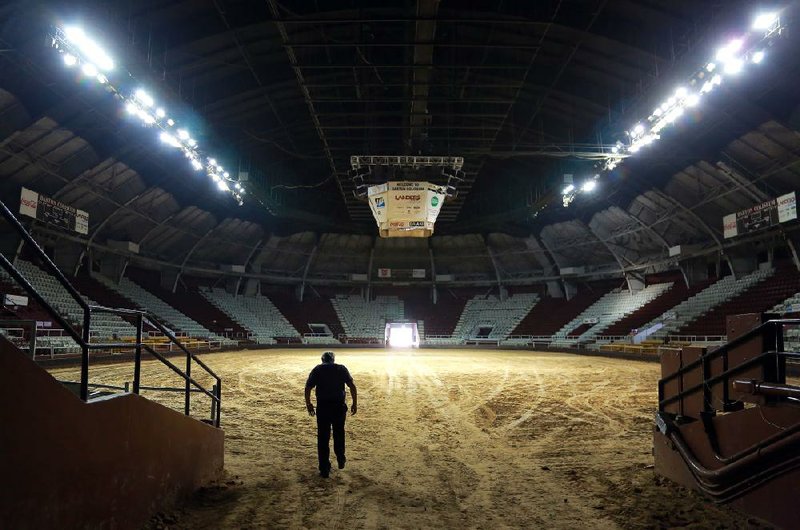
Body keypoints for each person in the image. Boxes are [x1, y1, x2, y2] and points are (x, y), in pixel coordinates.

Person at [305, 351, 357, 477]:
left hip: (323, 408)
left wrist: (309, 404)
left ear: (322, 360)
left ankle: (324, 468)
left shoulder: (317, 370)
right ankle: (340, 457)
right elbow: (352, 386)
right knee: (339, 433)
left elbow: (308, 388)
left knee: (323, 438)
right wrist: (354, 403)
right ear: (333, 359)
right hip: (338, 407)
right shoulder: (341, 368)